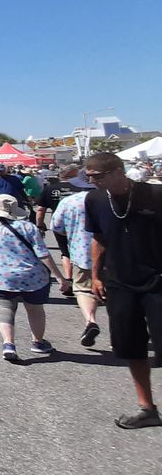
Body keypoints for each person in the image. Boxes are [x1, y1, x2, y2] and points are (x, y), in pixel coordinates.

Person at [83, 152, 162, 429]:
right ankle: (147, 409)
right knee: (132, 347)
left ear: (119, 171)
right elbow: (99, 239)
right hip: (119, 282)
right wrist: (95, 275)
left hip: (158, 280)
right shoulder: (93, 199)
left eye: (97, 176)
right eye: (88, 176)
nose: (91, 180)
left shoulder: (155, 194)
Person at [0, 195, 69, 362]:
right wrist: (59, 277)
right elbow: (43, 254)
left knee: (4, 308)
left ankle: (8, 344)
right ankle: (38, 342)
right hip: (32, 276)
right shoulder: (28, 227)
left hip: (0, 276)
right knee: (35, 309)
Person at [50, 187, 100, 347]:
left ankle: (90, 321)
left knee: (84, 290)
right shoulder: (113, 197)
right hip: (116, 255)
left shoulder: (69, 201)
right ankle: (118, 334)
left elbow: (57, 226)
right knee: (115, 294)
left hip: (82, 253)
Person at [35, 164, 95, 281]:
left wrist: (40, 224)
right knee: (83, 247)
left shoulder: (51, 188)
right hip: (81, 222)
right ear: (73, 174)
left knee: (65, 251)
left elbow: (41, 209)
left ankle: (68, 277)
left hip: (60, 222)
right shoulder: (81, 188)